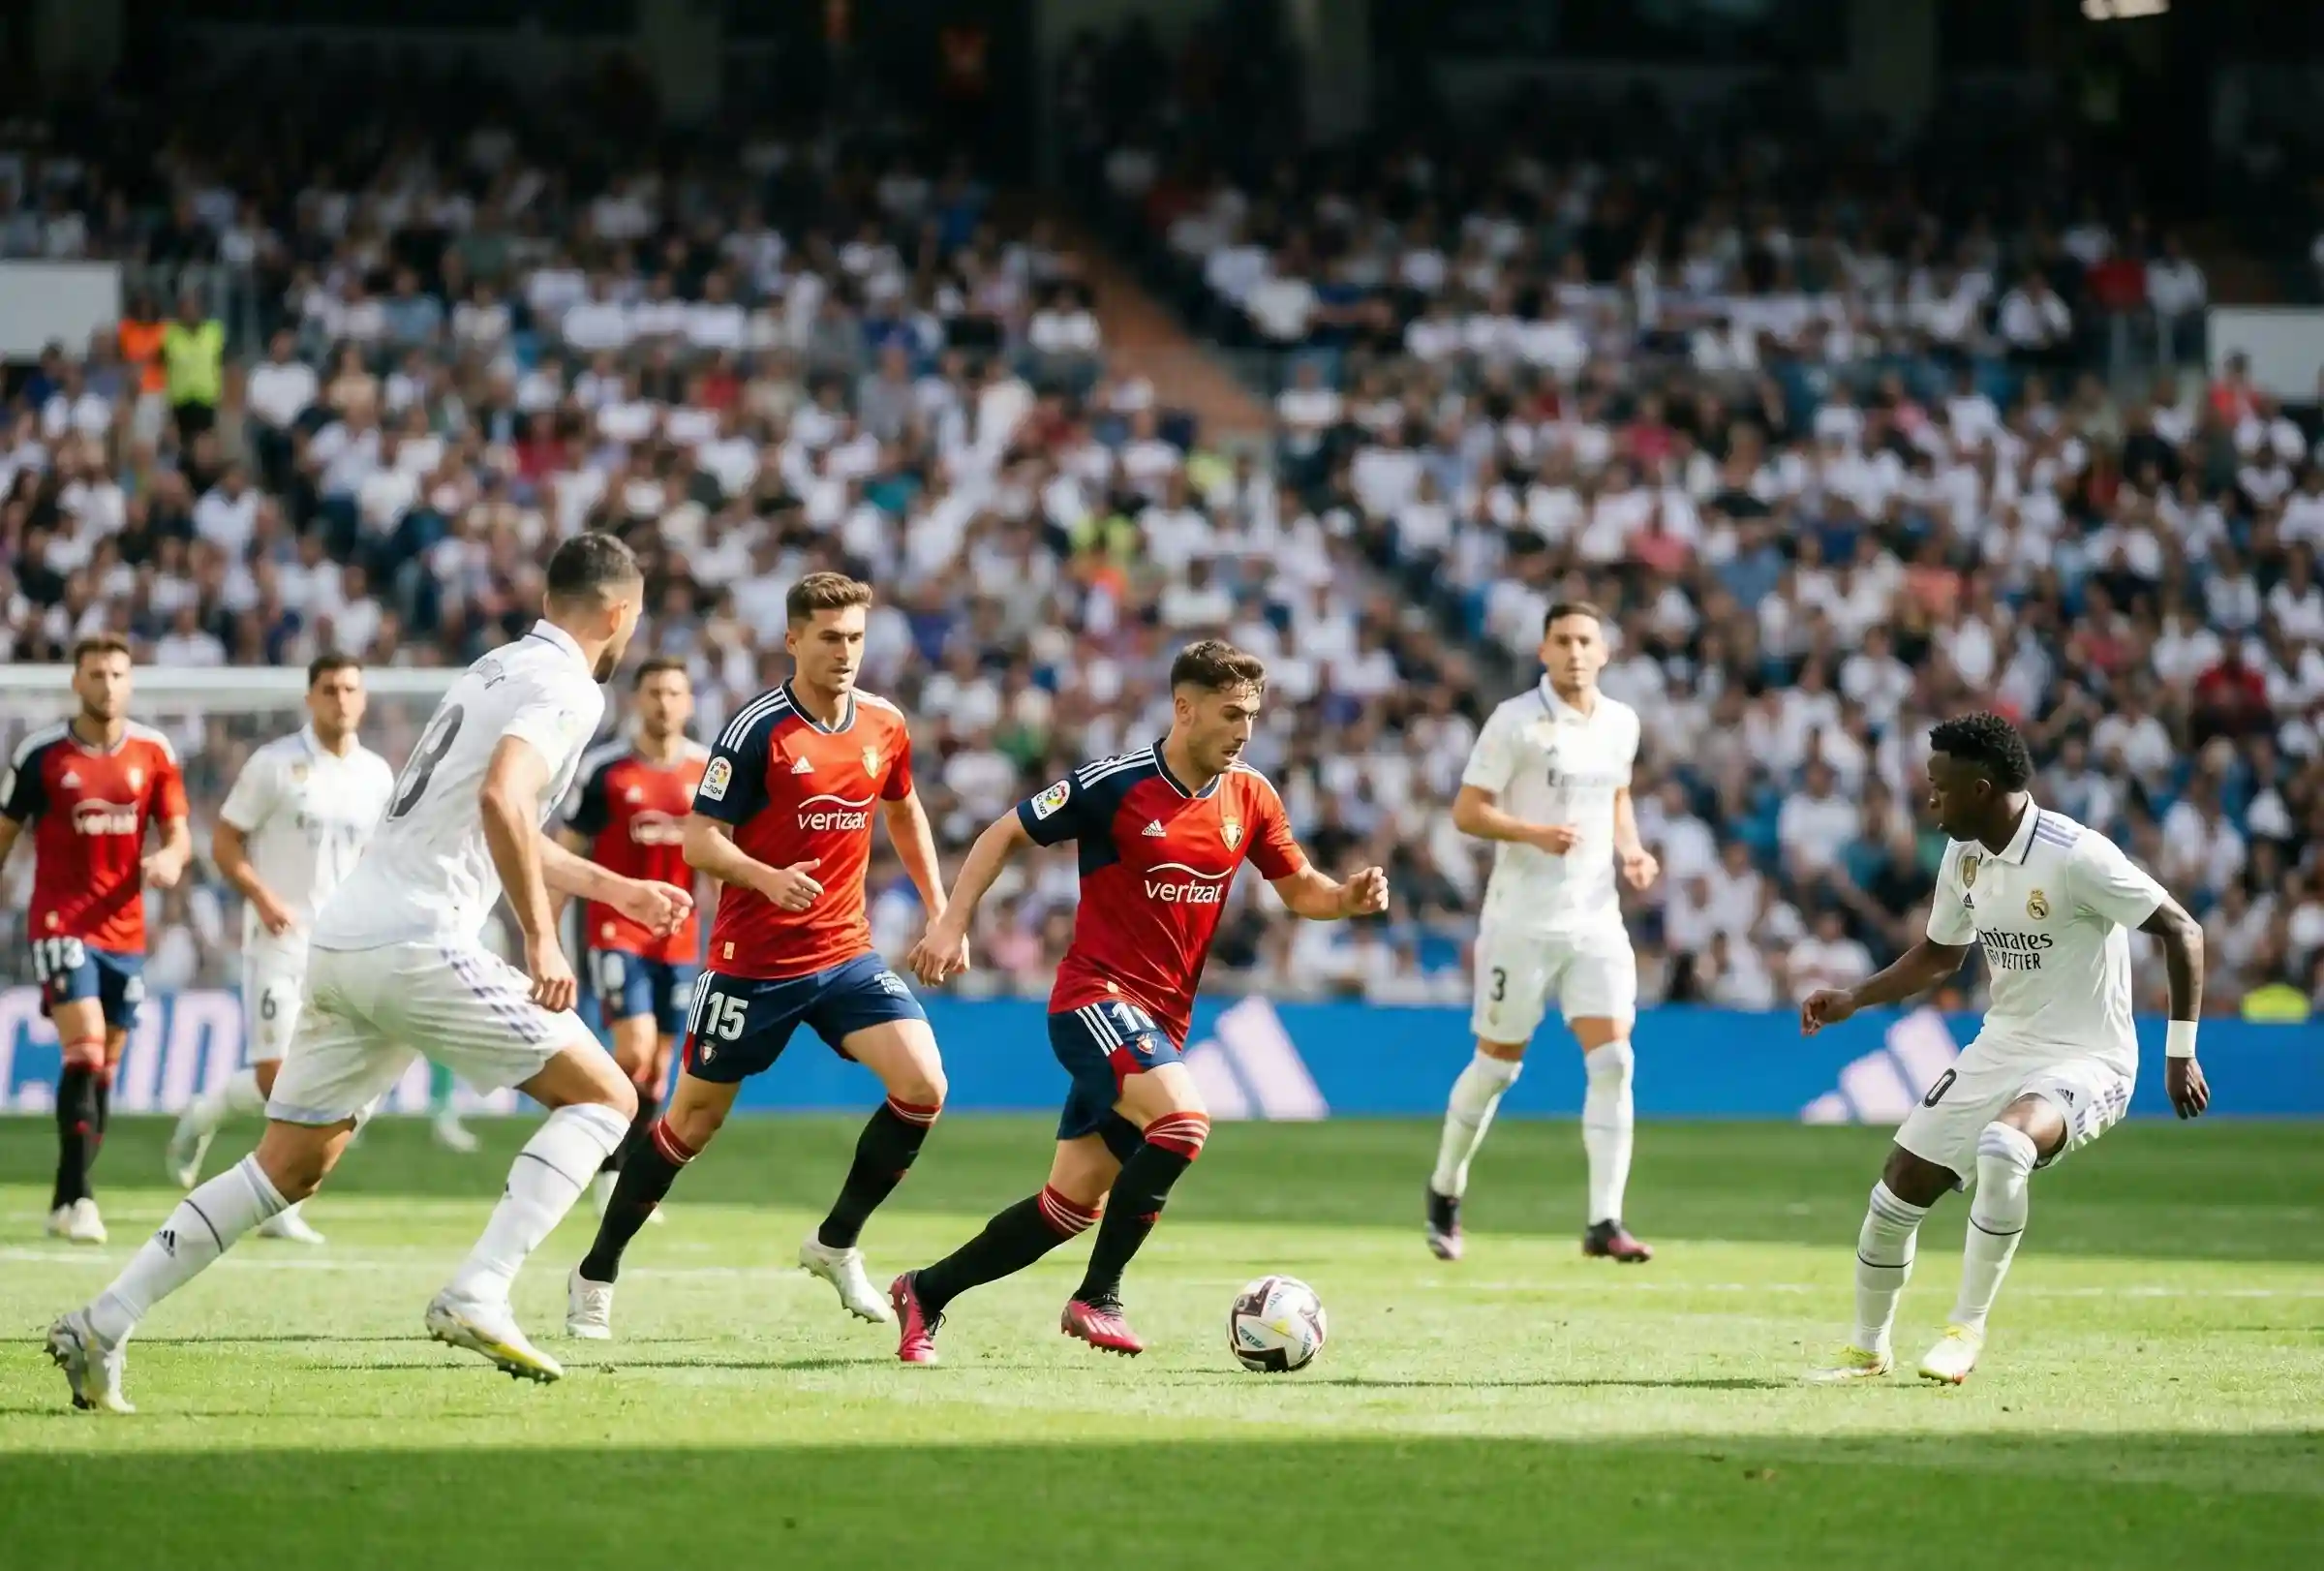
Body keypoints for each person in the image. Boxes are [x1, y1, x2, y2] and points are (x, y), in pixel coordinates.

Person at [46, 533, 691, 1412]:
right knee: (607, 1099)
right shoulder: (569, 686)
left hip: (348, 935)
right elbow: (504, 800)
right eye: (636, 619)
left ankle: (101, 1321)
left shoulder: (495, 667)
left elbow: (493, 817)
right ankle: (480, 1289)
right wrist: (542, 939)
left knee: (287, 1166)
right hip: (419, 940)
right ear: (619, 613)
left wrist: (615, 885)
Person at [888, 639, 1391, 1363]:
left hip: (1160, 1023)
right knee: (1185, 1121)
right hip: (1093, 999)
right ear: (1184, 709)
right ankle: (1099, 1297)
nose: (1244, 730)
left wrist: (1345, 899)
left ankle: (925, 1292)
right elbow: (1006, 831)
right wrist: (951, 920)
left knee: (1068, 1207)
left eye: (1251, 714)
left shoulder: (1250, 796)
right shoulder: (1116, 784)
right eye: (1230, 714)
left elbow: (1300, 887)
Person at [566, 573, 951, 1338]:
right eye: (830, 637)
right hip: (752, 963)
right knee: (689, 1125)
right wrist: (766, 878)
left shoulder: (883, 723)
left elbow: (903, 810)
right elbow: (702, 838)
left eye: (856, 638)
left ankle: (835, 1243)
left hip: (846, 953)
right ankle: (597, 1268)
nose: (845, 653)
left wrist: (941, 909)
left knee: (924, 1087)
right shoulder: (756, 731)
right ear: (794, 640)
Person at [1802, 712, 2210, 1386]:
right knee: (1895, 1191)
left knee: (2004, 1146)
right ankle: (1867, 1351)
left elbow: (2182, 931)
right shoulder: (1964, 855)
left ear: (1983, 788)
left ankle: (1965, 1330)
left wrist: (2180, 1054)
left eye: (1939, 787)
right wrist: (1854, 997)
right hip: (2003, 1044)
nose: (1928, 799)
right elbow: (1940, 953)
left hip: (2090, 1056)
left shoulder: (2076, 855)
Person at [1424, 602, 1659, 1265]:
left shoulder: (1621, 723)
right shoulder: (1515, 722)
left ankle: (1604, 1221)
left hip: (1595, 919)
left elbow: (1617, 795)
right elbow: (1468, 811)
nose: (1576, 651)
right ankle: (1445, 1187)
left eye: (1587, 640)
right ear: (1543, 651)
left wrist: (1632, 850)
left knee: (1614, 1060)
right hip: (1521, 921)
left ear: (1605, 651)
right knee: (1497, 1069)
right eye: (1563, 640)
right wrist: (1533, 834)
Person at [165, 654, 396, 1245]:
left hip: (344, 948)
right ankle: (208, 1111)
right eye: (329, 689)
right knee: (279, 1079)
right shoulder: (275, 765)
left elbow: (381, 860)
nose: (341, 699)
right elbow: (224, 841)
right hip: (278, 942)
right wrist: (262, 896)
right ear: (309, 697)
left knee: (331, 1081)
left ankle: (281, 1202)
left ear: (363, 699)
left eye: (350, 689)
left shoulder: (377, 776)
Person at [0, 636, 192, 1246]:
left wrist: (171, 862)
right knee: (82, 1051)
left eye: (117, 674)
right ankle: (81, 1200)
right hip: (61, 921)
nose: (108, 685)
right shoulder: (42, 756)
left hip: (125, 932)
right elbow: (3, 836)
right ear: (75, 682)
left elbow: (180, 835)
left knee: (103, 1068)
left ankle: (64, 1195)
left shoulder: (154, 753)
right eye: (96, 674)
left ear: (130, 682)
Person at [561, 657, 709, 1219]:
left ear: (689, 702)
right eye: (654, 693)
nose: (664, 703)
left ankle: (623, 1173)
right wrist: (545, 934)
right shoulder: (607, 771)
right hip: (615, 929)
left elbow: (717, 859)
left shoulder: (706, 774)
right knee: (634, 1050)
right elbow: (565, 852)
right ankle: (604, 1168)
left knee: (660, 1069)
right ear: (636, 700)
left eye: (675, 692)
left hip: (679, 939)